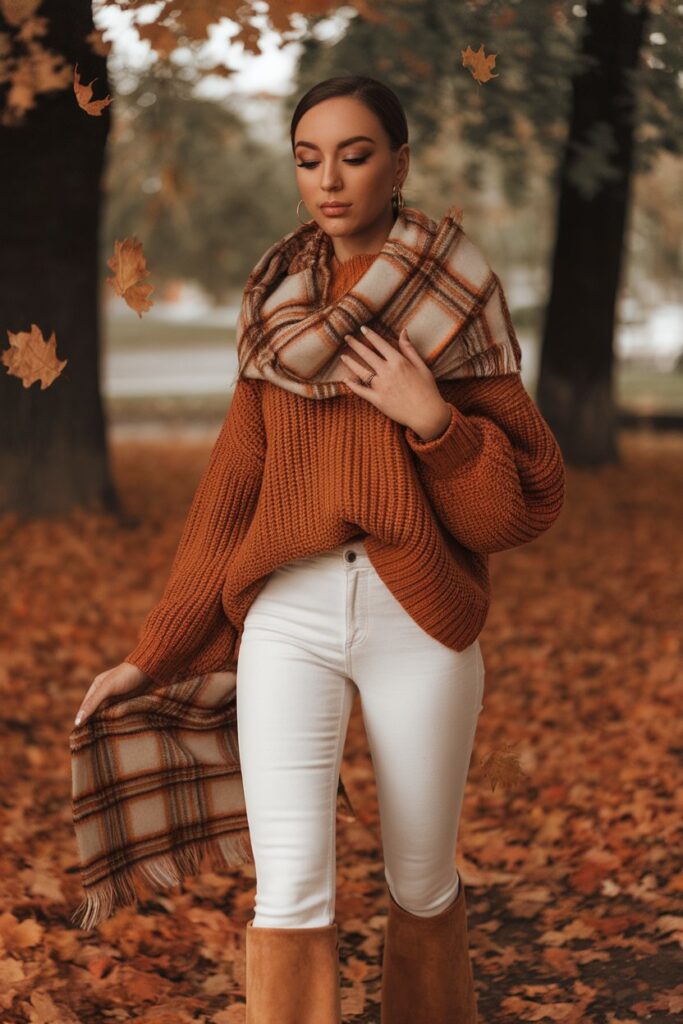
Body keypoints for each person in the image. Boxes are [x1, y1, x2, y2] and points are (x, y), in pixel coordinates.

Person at [72, 75, 565, 1024]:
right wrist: (151, 652)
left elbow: (520, 510)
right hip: (286, 618)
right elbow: (229, 491)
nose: (329, 180)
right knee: (288, 889)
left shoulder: (456, 292)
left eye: (355, 153)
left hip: (416, 616)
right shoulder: (274, 302)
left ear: (400, 162)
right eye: (308, 159)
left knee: (420, 879)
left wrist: (434, 423)